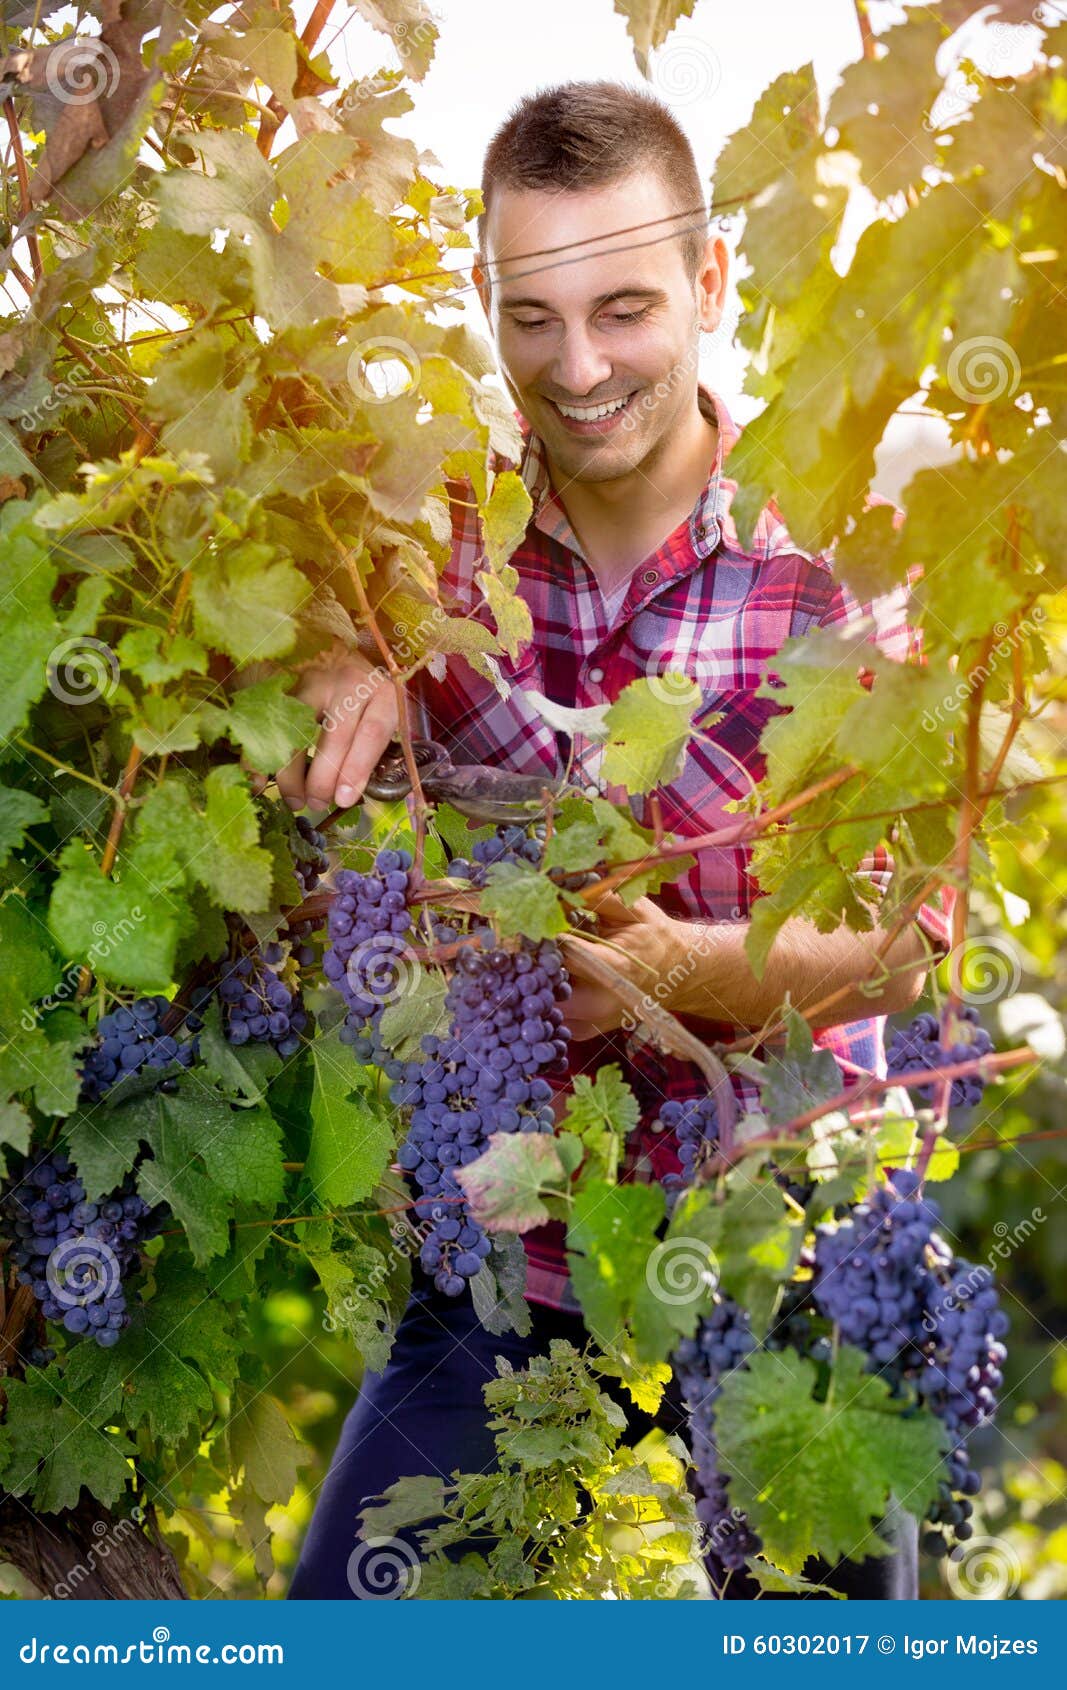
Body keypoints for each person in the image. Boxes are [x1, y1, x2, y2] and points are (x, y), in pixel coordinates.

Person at [283, 82, 950, 1601]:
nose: (577, 371)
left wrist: (672, 972)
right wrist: (337, 649)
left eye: (625, 310)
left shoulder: (837, 563)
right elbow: (296, 587)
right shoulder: (431, 537)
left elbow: (903, 946)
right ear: (486, 301)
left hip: (785, 1241)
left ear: (710, 282)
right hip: (509, 1252)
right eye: (533, 318)